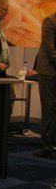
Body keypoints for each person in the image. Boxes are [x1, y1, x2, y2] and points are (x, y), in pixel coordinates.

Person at [35, 12, 56, 158]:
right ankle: (47, 143)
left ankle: (51, 140)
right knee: (48, 106)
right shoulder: (50, 21)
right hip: (48, 70)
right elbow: (50, 49)